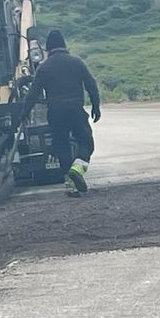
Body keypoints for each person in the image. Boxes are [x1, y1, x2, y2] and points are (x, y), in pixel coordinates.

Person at [23, 29, 101, 195]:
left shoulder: (44, 68)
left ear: (48, 49)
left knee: (62, 147)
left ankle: (71, 187)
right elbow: (91, 85)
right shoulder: (76, 62)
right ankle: (78, 169)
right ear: (64, 45)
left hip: (56, 113)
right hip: (75, 110)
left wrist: (22, 116)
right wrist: (96, 106)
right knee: (86, 143)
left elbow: (32, 95)